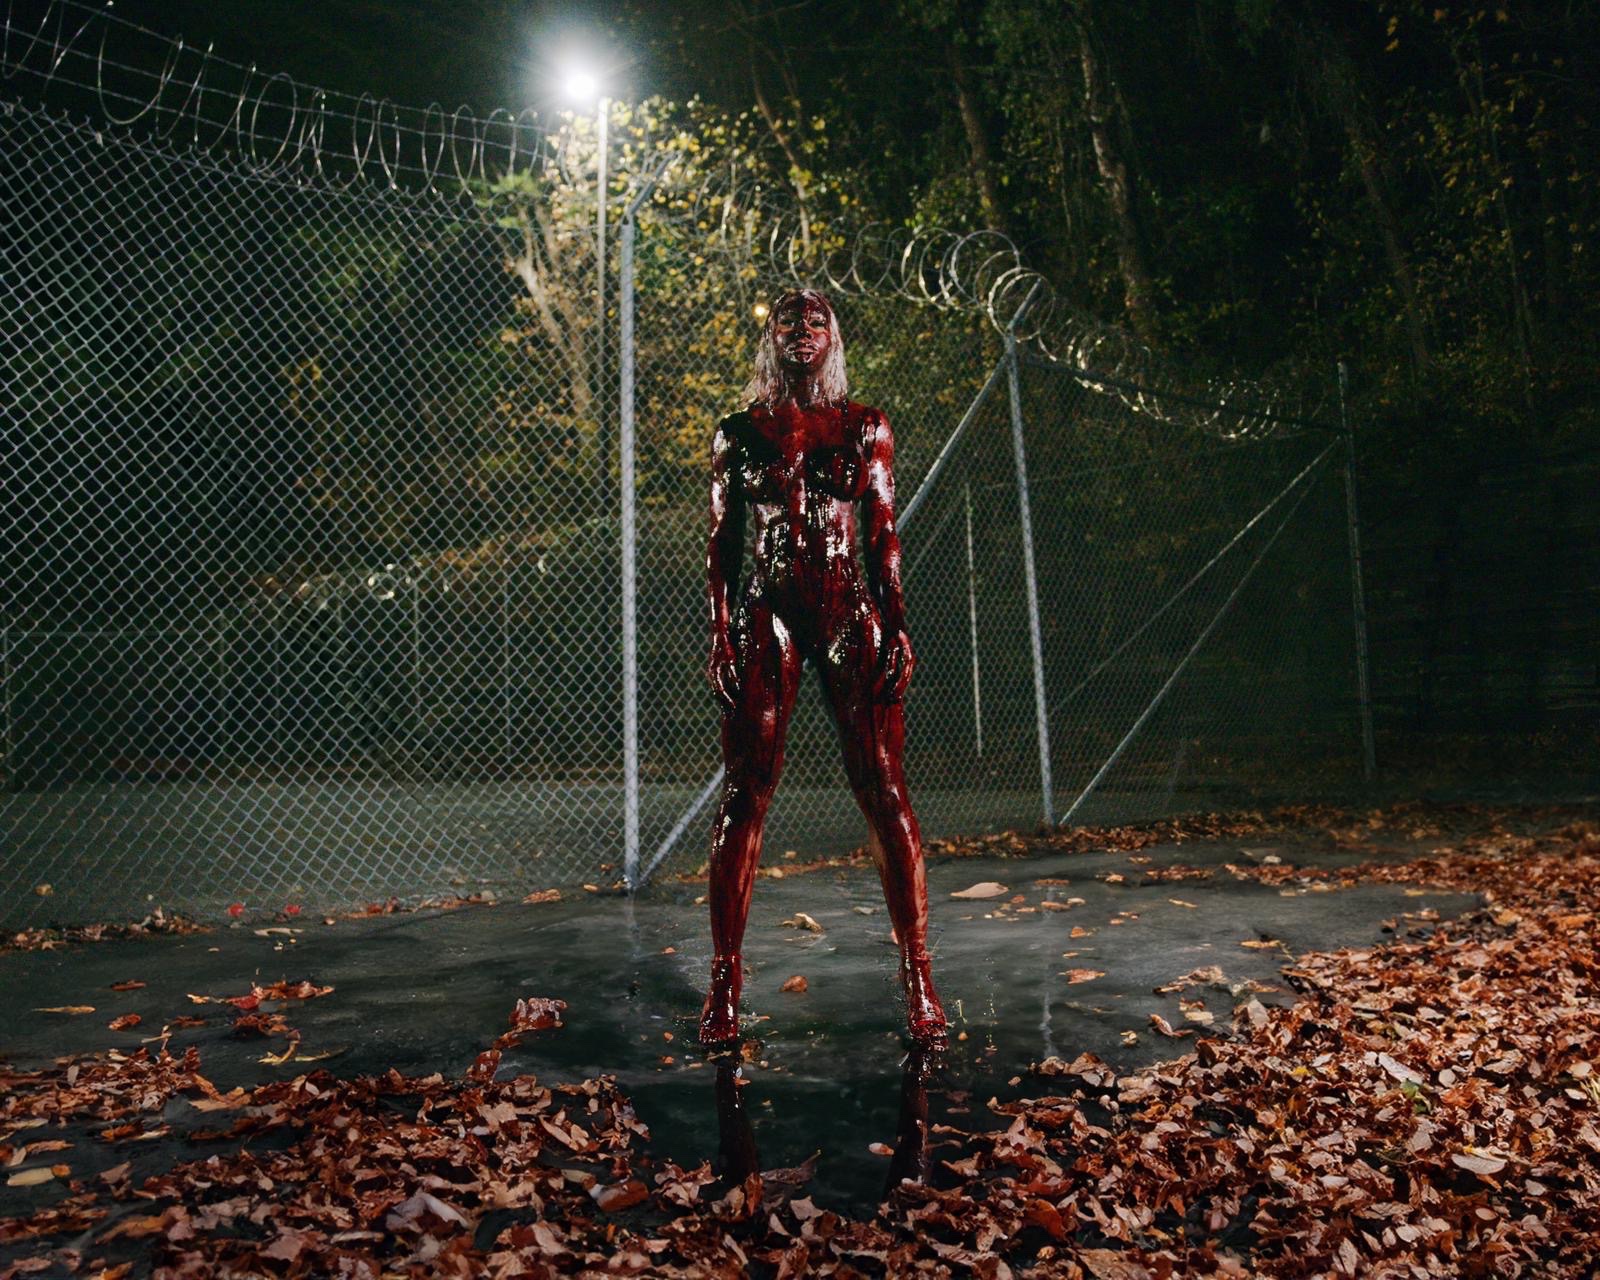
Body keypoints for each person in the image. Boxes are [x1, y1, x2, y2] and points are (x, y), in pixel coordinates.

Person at [699, 287, 947, 1048]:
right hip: (767, 604)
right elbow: (722, 544)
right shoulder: (738, 432)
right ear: (770, 336)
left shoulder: (864, 425)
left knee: (884, 786)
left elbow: (883, 532)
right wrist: (720, 634)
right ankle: (724, 983)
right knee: (745, 791)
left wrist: (897, 624)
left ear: (832, 338)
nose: (800, 330)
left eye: (815, 320)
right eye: (787, 319)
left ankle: (919, 977)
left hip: (847, 602)